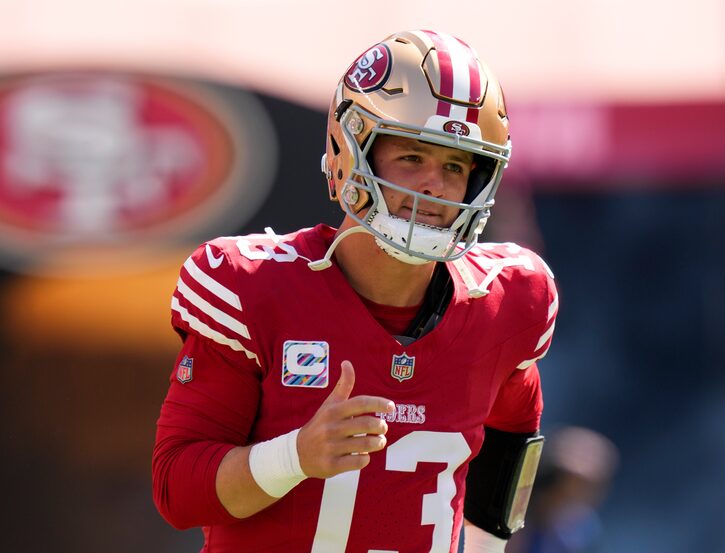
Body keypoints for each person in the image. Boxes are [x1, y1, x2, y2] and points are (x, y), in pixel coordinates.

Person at [152, 29, 559, 553]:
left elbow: (513, 435)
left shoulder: (506, 301)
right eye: (411, 158)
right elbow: (176, 491)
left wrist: (486, 547)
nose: (435, 186)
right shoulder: (252, 287)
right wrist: (295, 455)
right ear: (351, 148)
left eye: (455, 166)